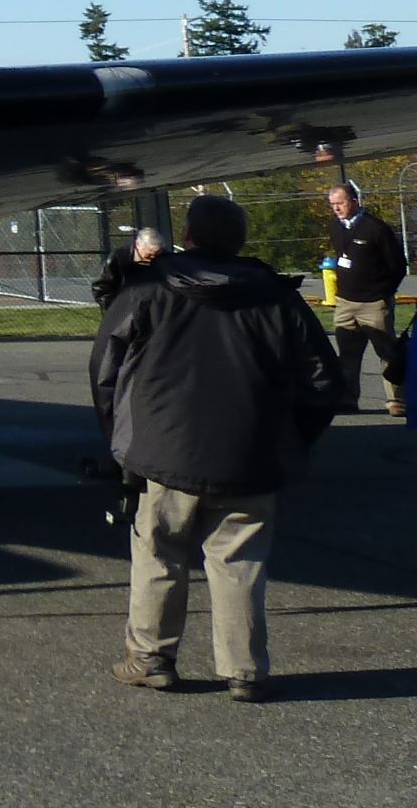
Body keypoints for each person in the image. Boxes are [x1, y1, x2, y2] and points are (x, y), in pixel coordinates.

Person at [89, 193, 344, 701]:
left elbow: (105, 368)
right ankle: (245, 670)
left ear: (187, 236)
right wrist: (293, 438)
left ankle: (151, 658)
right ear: (240, 240)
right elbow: (323, 381)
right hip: (251, 453)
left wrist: (121, 442)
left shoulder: (149, 289)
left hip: (163, 449)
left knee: (158, 553)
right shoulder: (276, 297)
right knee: (241, 561)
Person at [325, 182, 408, 418]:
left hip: (374, 303)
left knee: (387, 352)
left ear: (354, 201)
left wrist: (383, 293)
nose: (337, 209)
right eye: (333, 205)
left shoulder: (375, 229)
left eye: (340, 203)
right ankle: (348, 399)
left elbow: (397, 266)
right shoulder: (336, 226)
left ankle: (396, 400)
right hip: (345, 303)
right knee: (348, 354)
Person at [92, 226, 168, 306]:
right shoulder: (118, 259)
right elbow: (101, 289)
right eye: (149, 255)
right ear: (138, 245)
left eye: (157, 255)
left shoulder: (164, 258)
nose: (153, 259)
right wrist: (119, 307)